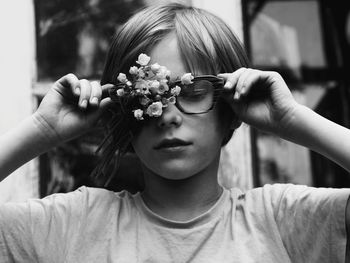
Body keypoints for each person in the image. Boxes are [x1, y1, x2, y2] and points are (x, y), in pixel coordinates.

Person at [0, 3, 350, 262]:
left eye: (193, 93)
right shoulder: (73, 225)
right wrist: (42, 129)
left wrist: (292, 119)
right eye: (146, 96)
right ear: (122, 109)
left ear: (230, 107)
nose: (167, 117)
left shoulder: (282, 220)